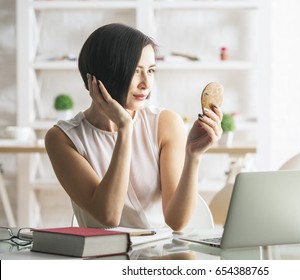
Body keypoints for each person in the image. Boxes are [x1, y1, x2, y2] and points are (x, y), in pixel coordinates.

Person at [45, 23, 222, 231]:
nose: (146, 83)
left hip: (161, 255)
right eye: (135, 71)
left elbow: (177, 221)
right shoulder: (63, 138)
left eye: (151, 70)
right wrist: (125, 130)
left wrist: (193, 156)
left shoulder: (164, 123)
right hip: (103, 258)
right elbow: (108, 216)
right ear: (99, 77)